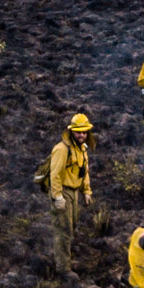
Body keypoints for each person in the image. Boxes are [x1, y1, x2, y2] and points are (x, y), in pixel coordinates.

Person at [44, 113, 94, 274]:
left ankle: (64, 259)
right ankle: (63, 269)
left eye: (85, 132)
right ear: (71, 131)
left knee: (71, 227)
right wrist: (57, 196)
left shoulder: (81, 149)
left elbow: (84, 171)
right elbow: (55, 174)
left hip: (74, 194)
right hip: (62, 192)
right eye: (79, 132)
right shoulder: (61, 149)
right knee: (63, 230)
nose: (82, 135)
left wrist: (86, 191)